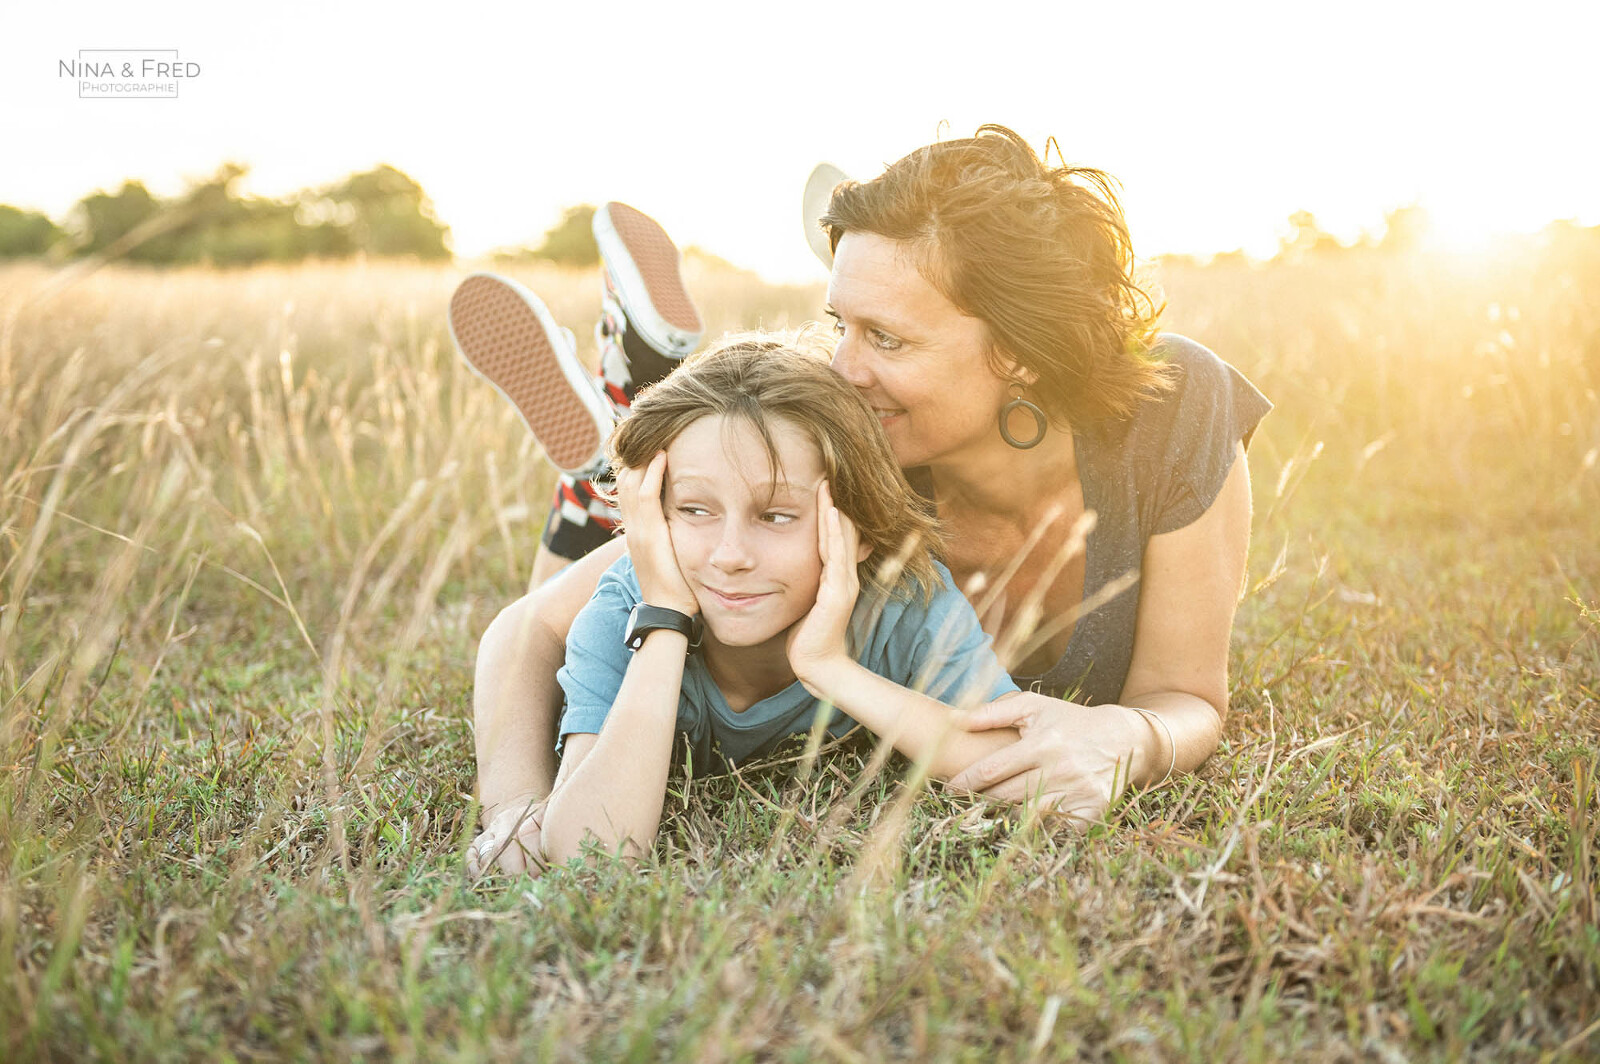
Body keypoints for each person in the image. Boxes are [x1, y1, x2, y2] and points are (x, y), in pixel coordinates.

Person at [453, 125, 1271, 874]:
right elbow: (528, 628)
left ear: (1020, 352)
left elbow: (1189, 696)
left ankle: (617, 427)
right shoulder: (847, 452)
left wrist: (1135, 734)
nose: (842, 369)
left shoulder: (1173, 412)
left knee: (676, 501)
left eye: (888, 338)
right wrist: (518, 810)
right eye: (837, 322)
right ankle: (621, 455)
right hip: (714, 506)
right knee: (656, 532)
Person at [483, 335, 1029, 870]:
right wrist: (667, 620)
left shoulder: (904, 601)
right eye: (695, 509)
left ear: (861, 527)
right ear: (655, 519)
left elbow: (1018, 765)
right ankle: (593, 469)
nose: (730, 555)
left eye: (775, 516)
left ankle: (621, 393)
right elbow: (589, 853)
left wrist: (829, 667)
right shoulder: (629, 608)